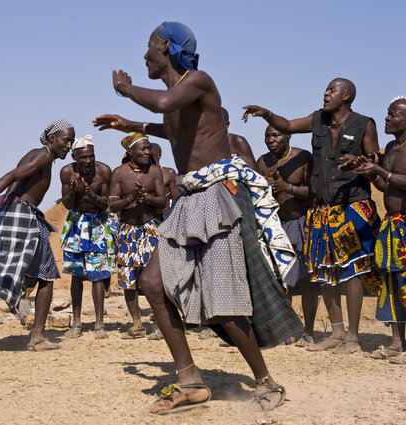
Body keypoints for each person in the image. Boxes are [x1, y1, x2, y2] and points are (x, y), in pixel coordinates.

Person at [94, 21, 302, 414]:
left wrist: (124, 91)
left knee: (223, 301)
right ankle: (189, 380)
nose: (144, 55)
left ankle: (265, 381)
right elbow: (171, 124)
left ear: (168, 49)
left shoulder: (199, 82)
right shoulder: (177, 97)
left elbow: (162, 106)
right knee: (152, 283)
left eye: (150, 47)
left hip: (218, 197)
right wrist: (132, 125)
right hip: (190, 199)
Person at [243, 77, 381, 354]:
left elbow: (373, 157)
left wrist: (360, 163)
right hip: (322, 208)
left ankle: (353, 337)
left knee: (352, 270)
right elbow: (289, 126)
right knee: (324, 271)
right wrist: (267, 114)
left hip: (352, 204)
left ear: (346, 96)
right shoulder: (318, 120)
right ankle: (336, 331)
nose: (325, 94)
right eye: (326, 89)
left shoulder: (364, 123)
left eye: (332, 90)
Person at [0, 119, 74, 351]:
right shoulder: (44, 156)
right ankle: (37, 338)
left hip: (16, 213)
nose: (69, 146)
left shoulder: (38, 154)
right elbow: (11, 176)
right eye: (66, 140)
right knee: (45, 274)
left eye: (71, 141)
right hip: (20, 216)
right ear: (52, 139)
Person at [353, 97, 406, 362]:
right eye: (387, 114)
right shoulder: (392, 148)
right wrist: (369, 173)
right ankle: (396, 343)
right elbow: (386, 188)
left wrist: (380, 172)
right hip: (392, 224)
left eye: (393, 115)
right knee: (391, 281)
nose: (387, 118)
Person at [256, 125, 319, 346]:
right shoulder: (262, 161)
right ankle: (286, 329)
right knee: (281, 281)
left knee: (307, 281)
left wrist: (288, 188)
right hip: (274, 227)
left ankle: (308, 330)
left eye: (276, 135)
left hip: (301, 224)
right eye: (267, 135)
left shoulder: (303, 158)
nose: (271, 139)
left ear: (288, 135)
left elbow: (315, 191)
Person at [108, 132, 167, 339]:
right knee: (128, 280)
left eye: (148, 147)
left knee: (156, 280)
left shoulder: (155, 172)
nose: (146, 152)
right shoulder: (119, 173)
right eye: (142, 148)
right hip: (127, 230)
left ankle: (159, 326)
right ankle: (137, 324)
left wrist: (148, 198)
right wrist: (130, 198)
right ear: (130, 151)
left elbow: (164, 202)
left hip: (151, 230)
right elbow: (112, 204)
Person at [59, 135, 114, 339]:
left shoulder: (104, 171)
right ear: (74, 157)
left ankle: (99, 325)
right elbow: (67, 204)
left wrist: (90, 194)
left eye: (91, 156)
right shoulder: (66, 172)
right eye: (83, 158)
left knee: (98, 275)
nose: (89, 161)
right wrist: (74, 192)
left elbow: (106, 203)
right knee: (77, 275)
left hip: (97, 223)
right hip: (76, 224)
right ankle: (76, 323)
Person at [151, 142, 178, 216]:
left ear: (159, 155)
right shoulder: (141, 174)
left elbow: (176, 199)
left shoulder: (169, 173)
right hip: (147, 219)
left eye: (151, 154)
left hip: (164, 216)